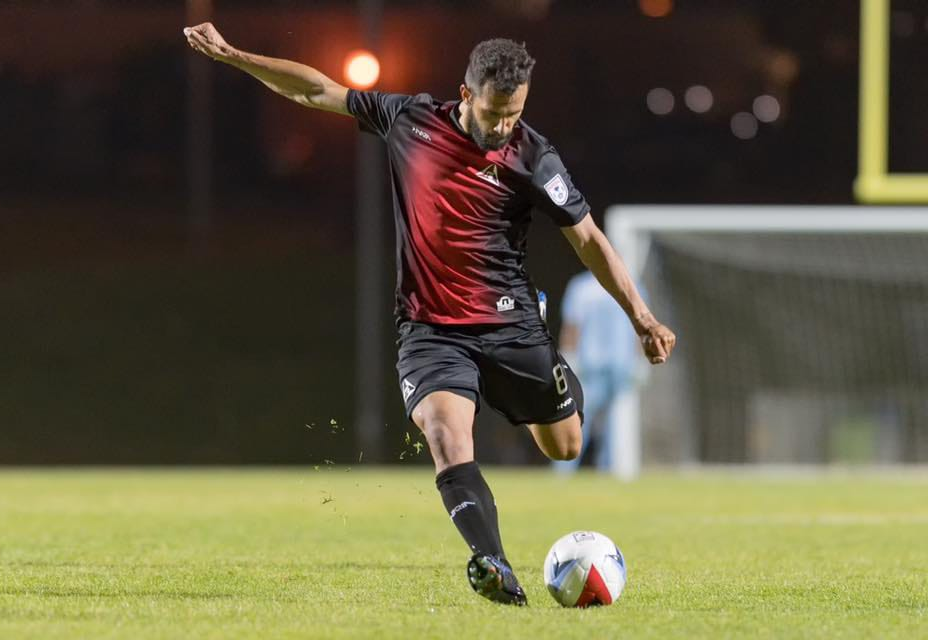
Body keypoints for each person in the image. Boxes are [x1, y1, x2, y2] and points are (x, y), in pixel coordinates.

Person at [184, 24, 676, 606]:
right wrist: (236, 55)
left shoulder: (534, 156)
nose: (501, 129)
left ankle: (547, 365)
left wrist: (641, 316)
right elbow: (317, 91)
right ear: (465, 96)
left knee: (565, 446)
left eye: (513, 115)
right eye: (494, 114)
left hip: (510, 324)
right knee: (445, 434)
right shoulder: (410, 121)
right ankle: (492, 561)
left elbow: (588, 239)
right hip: (431, 330)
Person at [553, 271, 641, 475]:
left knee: (615, 425)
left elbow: (639, 325)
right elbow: (573, 326)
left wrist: (638, 360)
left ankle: (611, 471)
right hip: (591, 366)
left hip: (620, 366)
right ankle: (564, 471)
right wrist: (569, 357)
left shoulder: (631, 283)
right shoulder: (582, 287)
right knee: (579, 419)